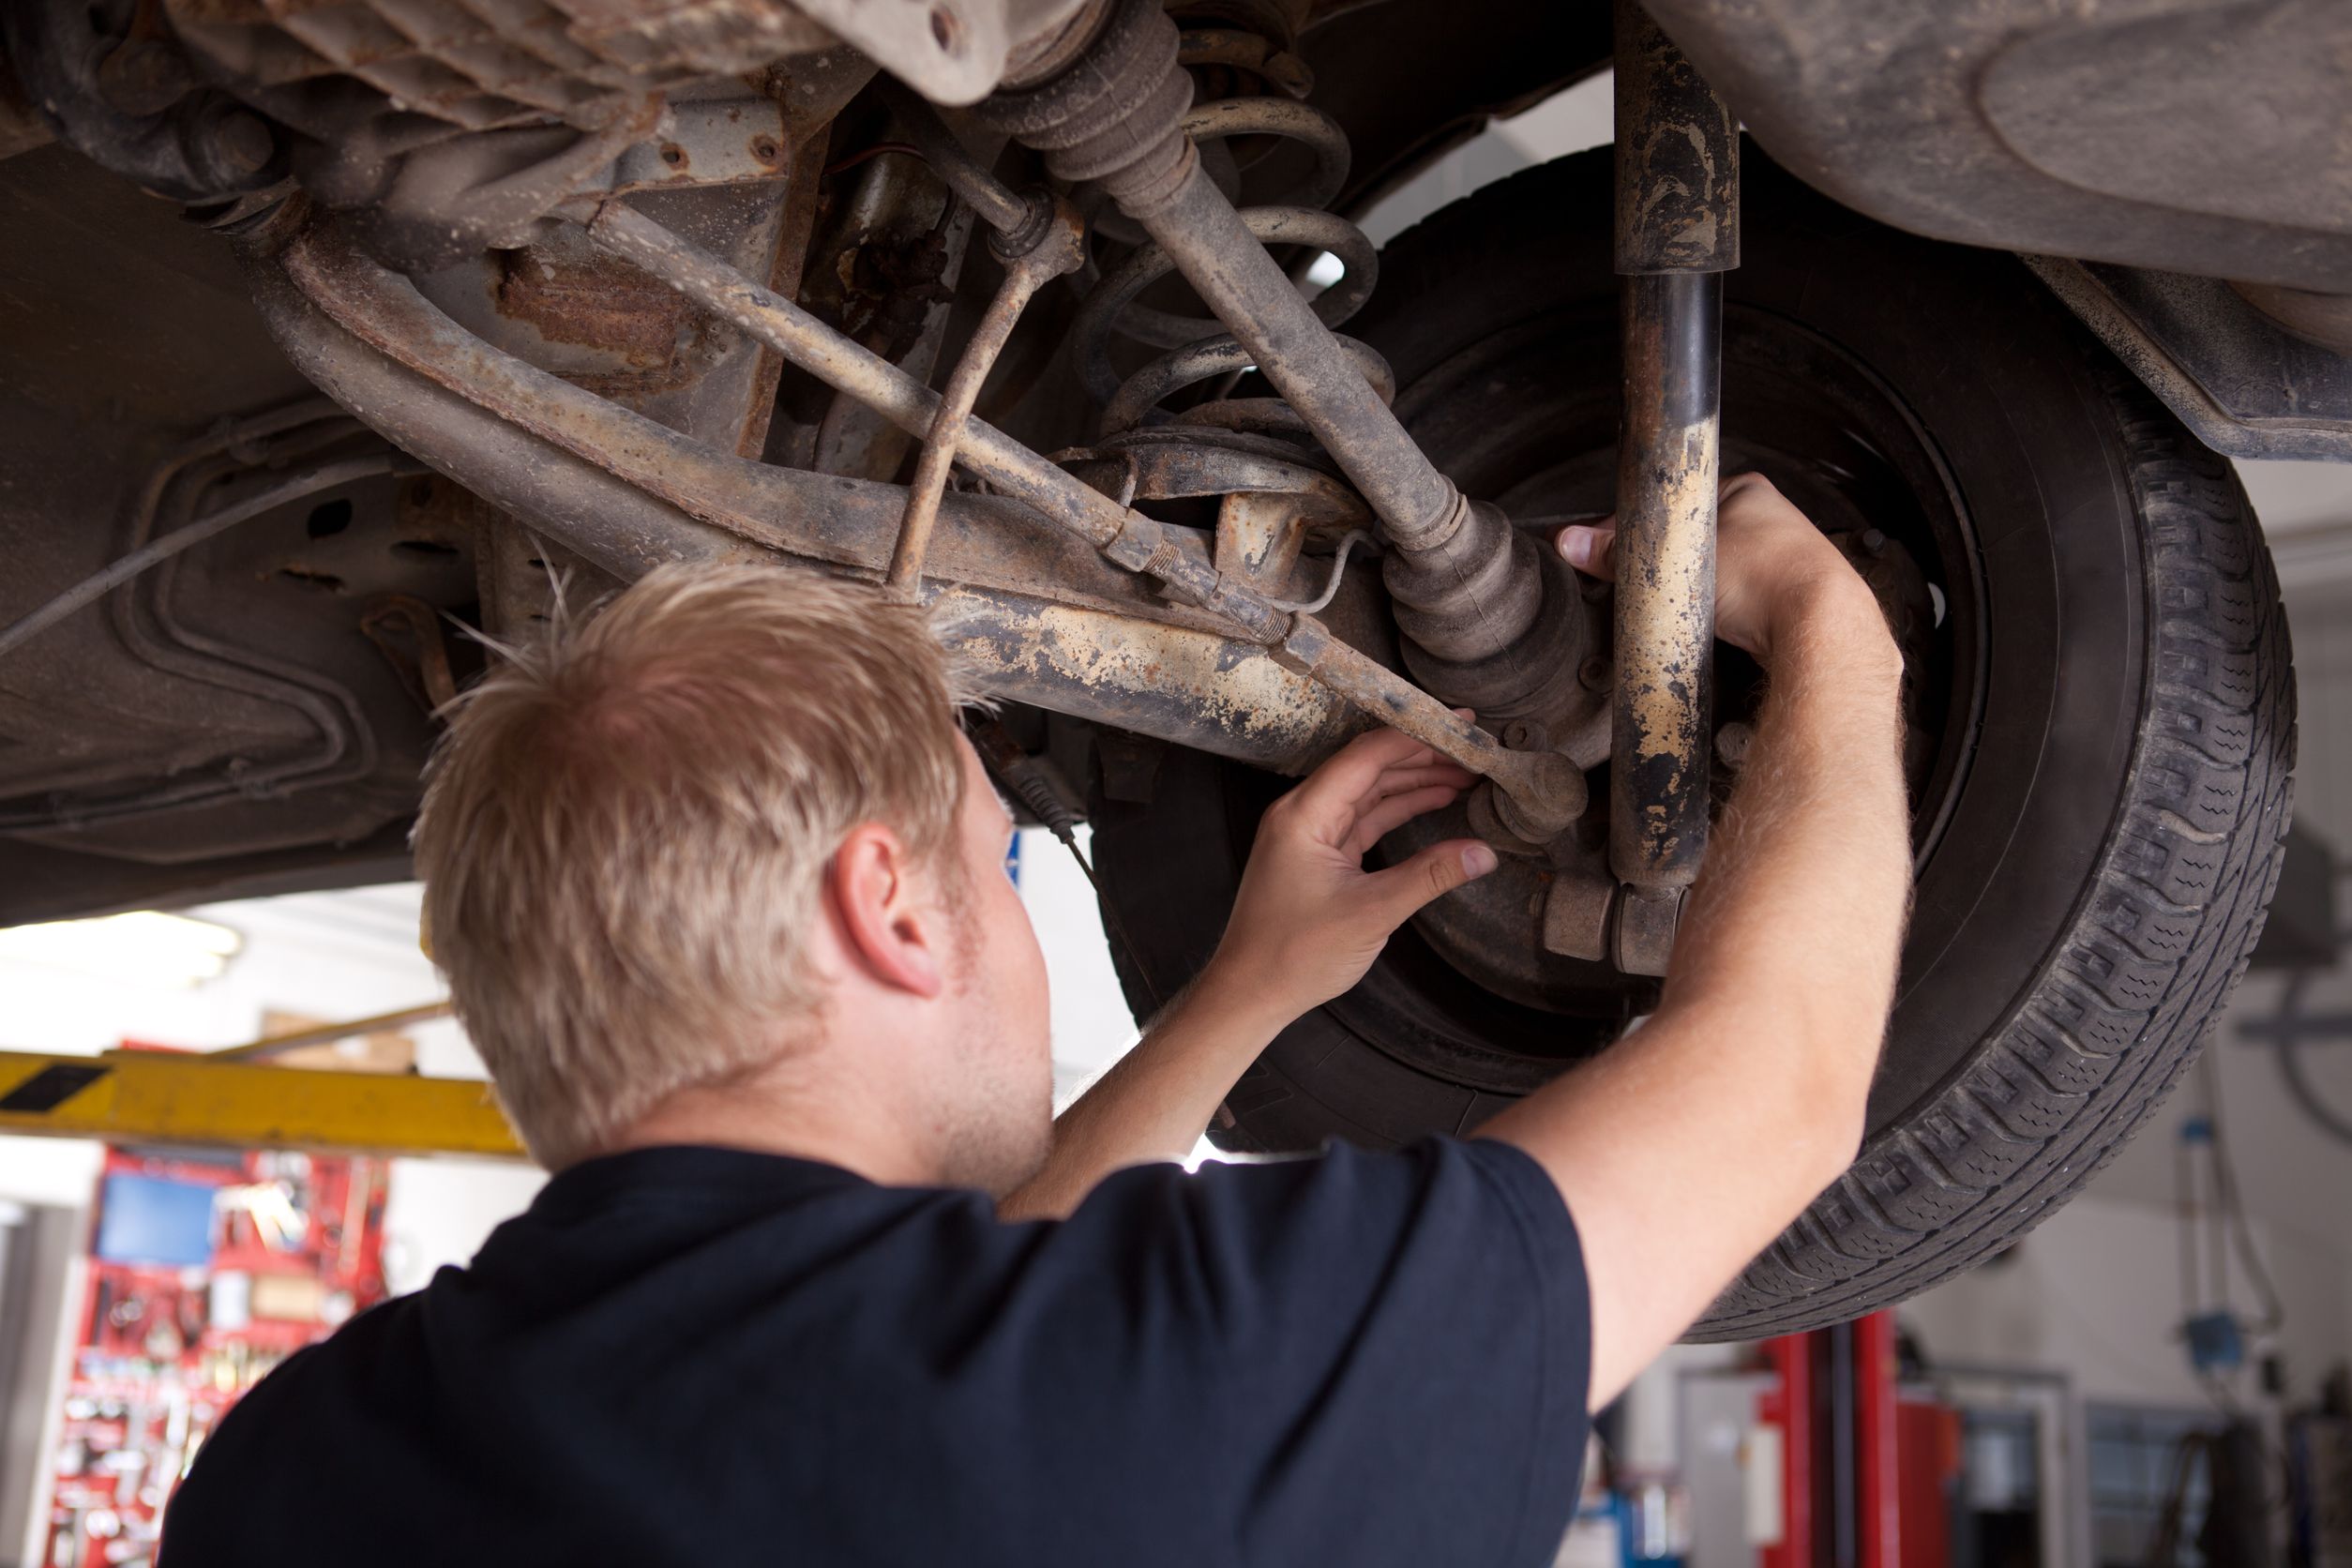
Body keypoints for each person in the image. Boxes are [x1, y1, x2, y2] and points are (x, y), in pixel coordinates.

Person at [161, 474, 1908, 1567]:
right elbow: (1782, 1085)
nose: (1013, 905)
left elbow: (940, 1331)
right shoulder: (1167, 1387)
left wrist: (1242, 995)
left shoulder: (290, 1478)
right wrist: (1837, 632)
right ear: (891, 908)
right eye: (1003, 858)